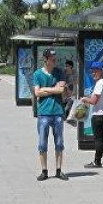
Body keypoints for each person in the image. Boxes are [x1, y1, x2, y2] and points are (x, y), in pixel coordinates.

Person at [33, 48, 69, 181]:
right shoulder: (37, 74)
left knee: (59, 143)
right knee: (42, 144)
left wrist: (45, 89)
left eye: (55, 59)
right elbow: (37, 93)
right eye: (52, 59)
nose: (55, 61)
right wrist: (54, 89)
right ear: (46, 59)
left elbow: (61, 90)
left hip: (58, 112)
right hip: (43, 113)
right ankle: (44, 171)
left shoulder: (59, 72)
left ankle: (59, 170)